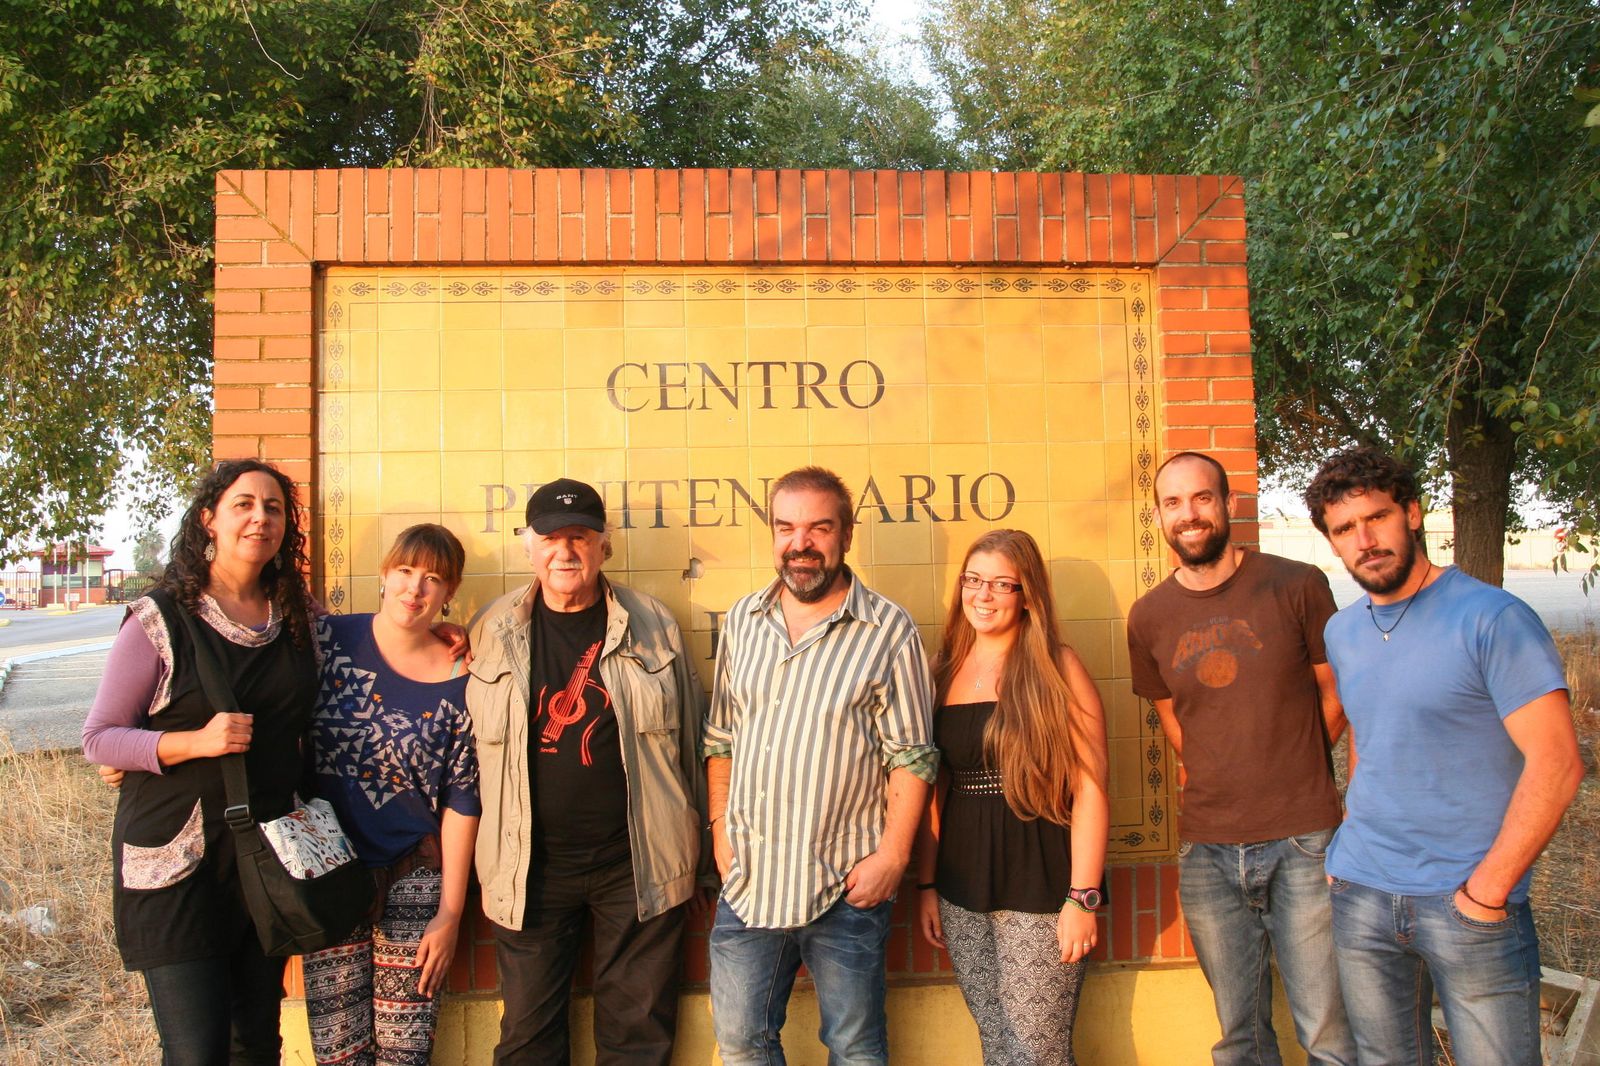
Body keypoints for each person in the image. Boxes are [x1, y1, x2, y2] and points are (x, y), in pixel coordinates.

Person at [1304, 446, 1583, 1066]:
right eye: (1344, 529)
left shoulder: (1492, 618)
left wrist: (1489, 891)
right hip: (1362, 893)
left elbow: (1558, 763)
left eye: (1375, 517)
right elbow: (1374, 741)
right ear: (1332, 541)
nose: (1364, 539)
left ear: (1411, 511)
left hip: (1470, 901)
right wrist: (1344, 855)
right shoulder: (1342, 633)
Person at [81, 459, 321, 1065]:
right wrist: (192, 742)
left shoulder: (295, 618)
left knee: (258, 1045)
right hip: (175, 869)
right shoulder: (159, 619)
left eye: (273, 508)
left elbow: (379, 638)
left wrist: (442, 635)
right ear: (209, 518)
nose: (260, 518)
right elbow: (101, 737)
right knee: (196, 1052)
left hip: (263, 864)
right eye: (243, 504)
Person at [465, 477, 708, 1066]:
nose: (565, 551)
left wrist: (699, 860)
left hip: (636, 863)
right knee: (526, 1039)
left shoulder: (653, 623)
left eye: (580, 537)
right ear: (529, 545)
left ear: (605, 545)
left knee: (638, 1038)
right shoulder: (490, 630)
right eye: (551, 538)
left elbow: (691, 748)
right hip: (530, 869)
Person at [1126, 451, 1355, 1066]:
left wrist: (1291, 763)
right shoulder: (1149, 617)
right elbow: (1171, 713)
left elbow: (1338, 694)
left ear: (1229, 504)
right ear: (1159, 516)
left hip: (1305, 837)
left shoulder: (1296, 584)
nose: (1189, 514)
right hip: (1207, 846)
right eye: (1173, 503)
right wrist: (1218, 768)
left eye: (1202, 498)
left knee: (1328, 1031)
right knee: (1239, 1036)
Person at [704, 466, 937, 1066]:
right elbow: (721, 737)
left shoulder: (889, 630)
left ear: (846, 535)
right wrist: (720, 831)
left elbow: (912, 756)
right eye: (786, 527)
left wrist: (893, 857)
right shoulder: (742, 621)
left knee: (854, 1047)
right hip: (750, 880)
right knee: (739, 1043)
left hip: (846, 884)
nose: (800, 542)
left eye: (818, 527)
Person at [913, 529, 1109, 1066]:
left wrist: (1083, 897)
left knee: (1037, 1052)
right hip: (960, 884)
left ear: (1028, 596)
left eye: (1003, 584)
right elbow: (936, 789)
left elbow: (1091, 787)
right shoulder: (942, 668)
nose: (984, 595)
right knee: (998, 1042)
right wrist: (928, 885)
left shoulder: (1056, 666)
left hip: (1042, 880)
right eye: (974, 581)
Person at [301, 523, 481, 1066]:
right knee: (339, 1051)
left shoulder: (463, 677)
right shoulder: (328, 642)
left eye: (433, 579)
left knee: (405, 1053)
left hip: (414, 875)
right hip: (328, 868)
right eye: (405, 571)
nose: (415, 589)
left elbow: (462, 802)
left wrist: (451, 912)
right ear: (384, 574)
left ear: (449, 593)